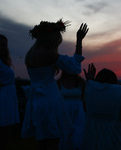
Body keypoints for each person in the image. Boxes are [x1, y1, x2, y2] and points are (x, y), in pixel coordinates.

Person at [21, 19, 89, 150]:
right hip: (49, 100)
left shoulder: (30, 54)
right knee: (53, 139)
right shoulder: (49, 54)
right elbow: (74, 67)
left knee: (43, 141)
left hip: (36, 100)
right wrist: (79, 41)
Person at [81, 64, 121, 150]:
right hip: (114, 135)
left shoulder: (89, 87)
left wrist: (89, 81)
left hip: (92, 135)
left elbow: (85, 109)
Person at [57, 71, 86, 150]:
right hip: (64, 110)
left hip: (79, 111)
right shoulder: (59, 82)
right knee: (64, 131)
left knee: (78, 132)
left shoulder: (81, 82)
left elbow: (85, 98)